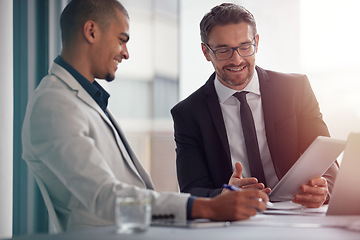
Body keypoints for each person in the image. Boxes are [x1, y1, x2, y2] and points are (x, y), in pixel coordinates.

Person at [21, 0, 269, 232]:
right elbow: (103, 198)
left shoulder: (83, 99)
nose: (125, 53)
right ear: (91, 31)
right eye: (122, 39)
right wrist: (206, 207)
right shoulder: (54, 104)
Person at [171, 3, 338, 208]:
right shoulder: (188, 114)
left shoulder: (295, 89)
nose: (237, 59)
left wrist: (323, 190)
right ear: (206, 52)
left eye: (244, 47)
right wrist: (224, 194)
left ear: (256, 43)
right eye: (224, 50)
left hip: (295, 213)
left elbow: (328, 164)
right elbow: (192, 190)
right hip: (233, 221)